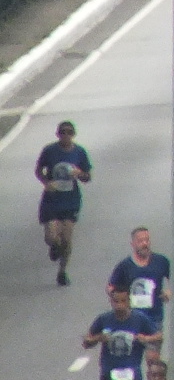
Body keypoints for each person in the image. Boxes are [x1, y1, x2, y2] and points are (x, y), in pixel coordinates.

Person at [36, 118, 92, 285]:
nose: (65, 136)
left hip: (70, 200)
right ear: (57, 134)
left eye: (69, 132)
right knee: (51, 237)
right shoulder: (49, 151)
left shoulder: (79, 152)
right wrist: (47, 183)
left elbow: (87, 177)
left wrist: (79, 173)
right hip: (52, 200)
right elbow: (39, 170)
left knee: (67, 238)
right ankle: (55, 247)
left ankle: (62, 271)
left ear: (73, 135)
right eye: (62, 132)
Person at [84, 282, 161, 380]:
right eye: (116, 301)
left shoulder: (139, 319)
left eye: (123, 301)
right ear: (111, 301)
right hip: (109, 371)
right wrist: (98, 338)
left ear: (129, 301)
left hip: (132, 372)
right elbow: (86, 342)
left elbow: (159, 336)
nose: (119, 305)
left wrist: (146, 338)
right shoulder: (103, 319)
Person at [106, 226, 171, 339]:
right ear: (133, 244)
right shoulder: (125, 266)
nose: (145, 244)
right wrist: (118, 301)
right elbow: (111, 287)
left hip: (154, 316)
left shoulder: (161, 261)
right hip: (131, 318)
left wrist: (170, 291)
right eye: (140, 241)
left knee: (153, 356)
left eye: (147, 240)